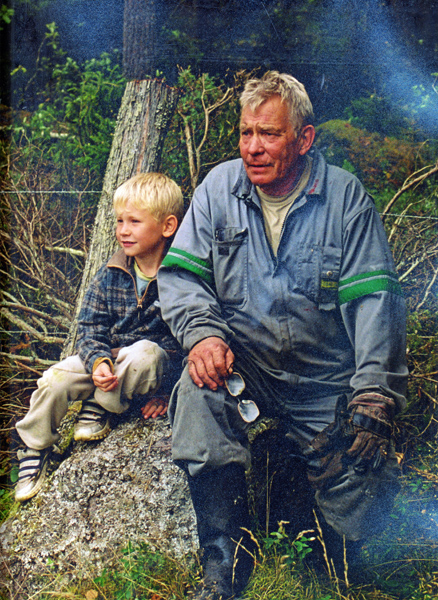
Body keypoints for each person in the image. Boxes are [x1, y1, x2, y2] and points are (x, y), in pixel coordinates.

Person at [157, 71, 408, 599]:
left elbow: (376, 304)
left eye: (269, 134)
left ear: (304, 138)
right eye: (245, 133)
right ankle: (223, 560)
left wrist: (374, 391)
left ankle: (304, 501)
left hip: (326, 382)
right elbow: (181, 277)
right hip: (245, 366)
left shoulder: (345, 199)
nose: (253, 148)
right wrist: (202, 335)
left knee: (354, 539)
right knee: (197, 392)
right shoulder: (218, 189)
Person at [15, 172, 184, 503]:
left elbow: (187, 343)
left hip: (149, 364)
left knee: (145, 354)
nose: (123, 230)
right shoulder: (111, 273)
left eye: (134, 221)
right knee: (56, 378)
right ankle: (35, 447)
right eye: (120, 221)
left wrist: (170, 393)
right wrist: (97, 362)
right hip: (109, 357)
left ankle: (101, 405)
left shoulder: (181, 276)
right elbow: (90, 326)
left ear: (167, 227)